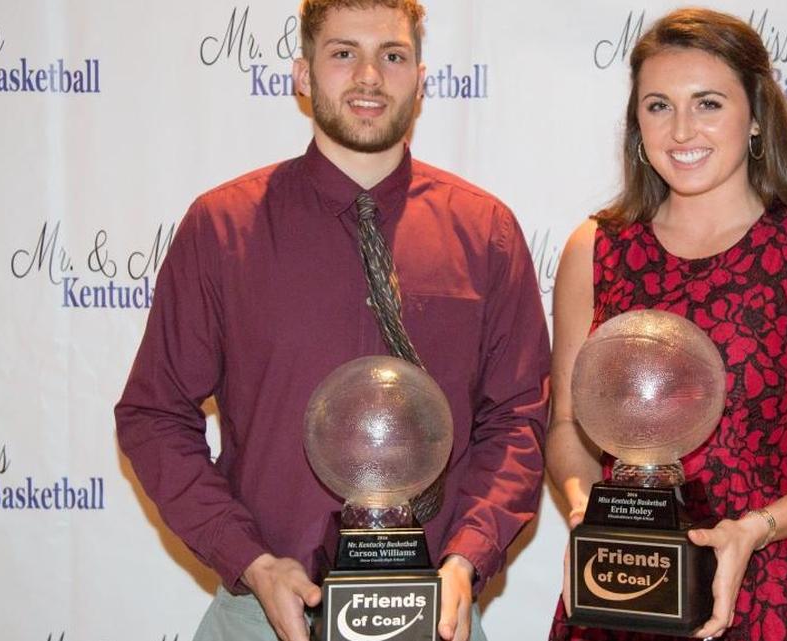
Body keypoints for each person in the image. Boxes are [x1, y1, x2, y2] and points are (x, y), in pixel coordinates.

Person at [114, 2, 550, 640]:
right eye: (344, 53)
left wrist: (468, 557)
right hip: (262, 615)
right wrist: (252, 563)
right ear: (302, 74)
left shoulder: (486, 233)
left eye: (392, 56)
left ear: (421, 78)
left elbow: (517, 418)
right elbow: (153, 416)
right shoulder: (222, 228)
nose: (369, 76)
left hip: (437, 612)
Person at [546, 8, 787, 641]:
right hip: (621, 582)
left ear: (757, 115)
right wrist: (586, 507)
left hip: (770, 577)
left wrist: (756, 528)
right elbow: (569, 427)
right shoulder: (594, 249)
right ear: (636, 124)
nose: (682, 129)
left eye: (707, 103)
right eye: (658, 106)